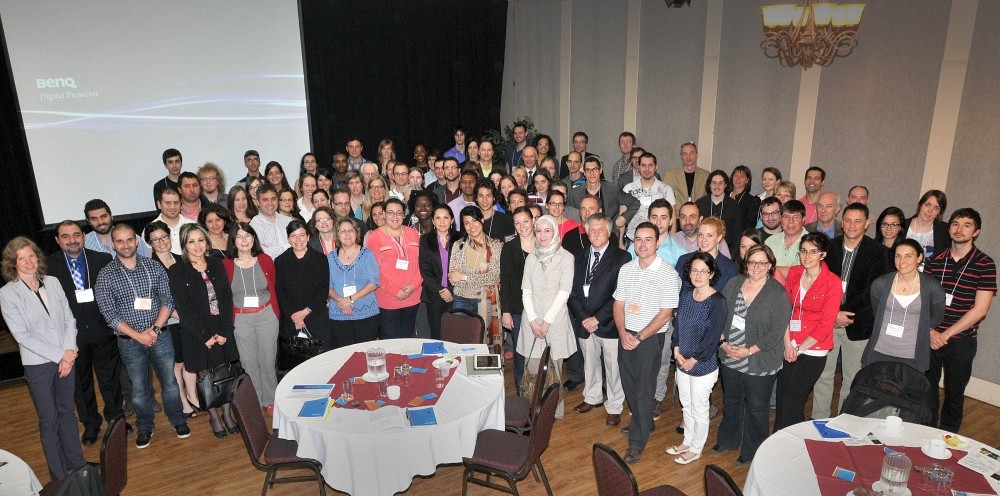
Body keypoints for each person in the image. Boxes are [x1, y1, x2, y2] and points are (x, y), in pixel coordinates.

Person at [95, 224, 191, 448]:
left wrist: (155, 330)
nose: (126, 245)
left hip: (161, 335)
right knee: (138, 388)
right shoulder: (106, 275)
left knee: (169, 383)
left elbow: (167, 300)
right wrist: (139, 336)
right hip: (130, 342)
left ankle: (178, 420)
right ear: (112, 244)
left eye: (130, 239)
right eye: (120, 241)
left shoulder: (153, 267)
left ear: (137, 241)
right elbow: (109, 313)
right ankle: (145, 427)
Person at [1, 237, 88, 480]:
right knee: (49, 419)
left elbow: (69, 319)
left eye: (31, 256)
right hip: (38, 364)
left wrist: (68, 353)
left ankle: (78, 463)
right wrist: (62, 354)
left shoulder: (53, 282)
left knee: (67, 413)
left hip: (66, 358)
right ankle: (59, 475)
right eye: (22, 258)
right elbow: (22, 336)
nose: (29, 262)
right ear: (13, 263)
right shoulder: (8, 294)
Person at [811, 203, 890, 419]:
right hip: (828, 322)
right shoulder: (829, 247)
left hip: (859, 325)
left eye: (857, 221)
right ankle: (819, 420)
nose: (852, 225)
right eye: (847, 220)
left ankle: (843, 422)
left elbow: (873, 291)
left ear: (866, 224)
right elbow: (820, 283)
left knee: (852, 378)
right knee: (823, 375)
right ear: (841, 221)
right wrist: (834, 313)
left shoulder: (880, 253)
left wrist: (844, 313)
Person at [46, 221, 122, 446]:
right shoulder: (48, 266)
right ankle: (91, 424)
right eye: (66, 236)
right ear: (58, 240)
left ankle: (116, 420)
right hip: (72, 337)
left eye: (76, 235)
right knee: (81, 384)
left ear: (83, 236)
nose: (72, 240)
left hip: (102, 331)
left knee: (110, 380)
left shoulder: (101, 260)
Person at [715, 244, 791, 464]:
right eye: (751, 262)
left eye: (762, 262)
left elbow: (776, 332)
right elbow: (719, 314)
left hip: (759, 360)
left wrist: (748, 351)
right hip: (730, 356)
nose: (756, 267)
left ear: (769, 266)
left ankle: (753, 451)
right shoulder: (734, 284)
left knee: (757, 408)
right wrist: (723, 343)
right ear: (745, 264)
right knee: (731, 400)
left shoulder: (777, 293)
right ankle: (728, 439)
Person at [614, 222, 681, 464]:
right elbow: (619, 304)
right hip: (626, 334)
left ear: (657, 242)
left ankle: (637, 441)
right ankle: (644, 422)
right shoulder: (627, 269)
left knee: (643, 389)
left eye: (648, 239)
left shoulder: (668, 274)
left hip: (650, 338)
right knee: (629, 384)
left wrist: (639, 336)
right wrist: (622, 332)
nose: (642, 244)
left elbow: (665, 314)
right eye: (638, 240)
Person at [923, 208, 996, 432]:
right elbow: (923, 300)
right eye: (955, 223)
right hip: (930, 336)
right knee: (927, 388)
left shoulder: (985, 264)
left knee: (954, 392)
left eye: (966, 225)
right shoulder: (934, 260)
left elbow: (980, 309)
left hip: (961, 340)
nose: (959, 229)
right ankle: (925, 430)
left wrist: (945, 334)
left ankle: (947, 438)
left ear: (976, 232)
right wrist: (930, 332)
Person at [167, 224, 241, 439]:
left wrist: (226, 330)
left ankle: (227, 413)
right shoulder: (177, 270)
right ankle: (214, 416)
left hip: (221, 328)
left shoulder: (217, 264)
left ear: (207, 241)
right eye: (191, 241)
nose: (197, 245)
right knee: (205, 376)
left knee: (224, 373)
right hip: (196, 334)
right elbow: (184, 308)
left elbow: (227, 299)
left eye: (201, 240)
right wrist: (204, 336)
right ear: (184, 245)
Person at [773, 232, 842, 432]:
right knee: (783, 396)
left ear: (823, 255)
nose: (807, 256)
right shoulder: (795, 273)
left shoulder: (832, 282)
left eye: (813, 252)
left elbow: (826, 324)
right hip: (790, 343)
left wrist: (799, 349)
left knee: (794, 398)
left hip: (813, 348)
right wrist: (788, 345)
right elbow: (785, 310)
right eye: (803, 251)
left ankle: (784, 440)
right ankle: (784, 437)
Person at [567, 213, 631, 427]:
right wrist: (585, 318)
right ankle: (592, 397)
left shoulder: (622, 258)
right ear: (586, 232)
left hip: (610, 323)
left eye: (600, 229)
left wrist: (598, 318)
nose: (595, 234)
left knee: (613, 368)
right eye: (591, 230)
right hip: (585, 323)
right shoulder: (579, 256)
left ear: (609, 232)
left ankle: (614, 405)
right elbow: (572, 291)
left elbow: (620, 294)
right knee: (590, 363)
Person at [667, 251, 726, 465]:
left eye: (703, 271)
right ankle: (687, 441)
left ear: (711, 273)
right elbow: (678, 327)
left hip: (703, 364)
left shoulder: (717, 301)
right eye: (694, 270)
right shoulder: (686, 295)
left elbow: (713, 337)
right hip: (682, 360)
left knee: (699, 408)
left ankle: (697, 448)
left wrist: (695, 359)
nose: (698, 275)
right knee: (686, 404)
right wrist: (675, 348)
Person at [517, 215, 576, 419]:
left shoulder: (566, 257)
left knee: (555, 372)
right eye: (539, 230)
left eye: (547, 230)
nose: (542, 235)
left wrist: (547, 321)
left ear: (555, 232)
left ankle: (554, 412)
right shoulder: (531, 257)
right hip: (531, 322)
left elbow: (564, 293)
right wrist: (533, 320)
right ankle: (532, 410)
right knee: (533, 370)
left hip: (555, 322)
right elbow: (526, 291)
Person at [863, 239, 946, 372]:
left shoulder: (932, 287)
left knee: (906, 393)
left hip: (911, 354)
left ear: (919, 257)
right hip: (880, 350)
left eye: (908, 256)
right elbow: (876, 312)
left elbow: (936, 317)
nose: (902, 261)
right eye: (898, 256)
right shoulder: (880, 284)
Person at [223, 222, 280, 412]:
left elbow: (272, 285)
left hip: (266, 315)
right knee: (249, 362)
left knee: (267, 359)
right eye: (239, 236)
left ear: (254, 238)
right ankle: (255, 399)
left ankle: (270, 399)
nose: (244, 240)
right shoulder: (226, 265)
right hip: (241, 318)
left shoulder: (265, 260)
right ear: (233, 241)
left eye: (248, 235)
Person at [144, 221, 198, 419]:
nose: (161, 242)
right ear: (150, 243)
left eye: (164, 237)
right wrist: (180, 316)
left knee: (191, 360)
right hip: (169, 322)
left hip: (189, 319)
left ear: (170, 237)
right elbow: (156, 299)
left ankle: (192, 396)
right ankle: (183, 402)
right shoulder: (149, 266)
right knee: (177, 364)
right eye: (155, 240)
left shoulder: (181, 259)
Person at [366, 198, 423, 339]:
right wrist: (395, 291)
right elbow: (374, 270)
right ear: (384, 214)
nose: (395, 217)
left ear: (404, 215)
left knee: (407, 338)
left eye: (399, 213)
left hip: (412, 295)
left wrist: (414, 286)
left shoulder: (414, 233)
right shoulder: (374, 237)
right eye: (390, 213)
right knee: (391, 341)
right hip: (388, 299)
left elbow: (422, 263)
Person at [275, 220, 333, 352]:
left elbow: (323, 290)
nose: (298, 239)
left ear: (308, 237)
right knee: (296, 361)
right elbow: (281, 291)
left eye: (302, 235)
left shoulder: (320, 259)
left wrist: (305, 312)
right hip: (292, 319)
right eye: (293, 236)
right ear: (288, 239)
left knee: (321, 359)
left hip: (316, 316)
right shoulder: (280, 261)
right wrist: (295, 316)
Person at [449, 206, 503, 343]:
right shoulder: (458, 245)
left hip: (487, 300)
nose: (471, 226)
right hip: (462, 299)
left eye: (474, 221)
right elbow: (453, 278)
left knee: (483, 341)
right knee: (461, 339)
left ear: (482, 220)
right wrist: (478, 279)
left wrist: (464, 277)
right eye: (466, 223)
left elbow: (494, 276)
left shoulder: (496, 246)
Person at [328, 217, 381, 347]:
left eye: (350, 230)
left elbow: (373, 283)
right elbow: (326, 285)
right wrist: (341, 301)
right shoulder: (330, 257)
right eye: (343, 231)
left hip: (366, 313)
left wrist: (350, 299)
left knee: (365, 352)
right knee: (344, 354)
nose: (347, 234)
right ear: (337, 235)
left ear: (357, 233)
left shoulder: (367, 254)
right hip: (339, 312)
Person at [500, 207, 535, 386]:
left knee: (541, 353)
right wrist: (505, 312)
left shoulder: (544, 244)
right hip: (517, 310)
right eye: (517, 223)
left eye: (526, 221)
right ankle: (522, 392)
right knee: (521, 353)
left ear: (533, 221)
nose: (522, 226)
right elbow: (504, 282)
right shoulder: (509, 248)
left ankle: (540, 392)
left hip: (541, 309)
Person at [419, 205, 456, 340]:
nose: (442, 221)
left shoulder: (461, 239)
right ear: (433, 221)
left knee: (455, 333)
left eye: (446, 217)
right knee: (437, 333)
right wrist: (441, 290)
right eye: (438, 218)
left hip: (457, 294)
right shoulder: (425, 240)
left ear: (452, 220)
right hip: (434, 295)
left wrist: (451, 291)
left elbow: (465, 268)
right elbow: (425, 270)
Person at [83, 199, 151, 258]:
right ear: (88, 222)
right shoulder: (85, 243)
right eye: (94, 219)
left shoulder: (131, 237)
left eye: (104, 216)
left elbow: (148, 262)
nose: (100, 222)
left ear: (111, 216)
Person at [696, 170, 742, 252]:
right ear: (709, 185)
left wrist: (731, 257)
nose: (717, 186)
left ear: (726, 185)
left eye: (720, 183)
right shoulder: (699, 204)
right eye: (714, 183)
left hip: (727, 252)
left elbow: (736, 235)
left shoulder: (734, 205)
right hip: (703, 250)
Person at [765, 199, 807, 280]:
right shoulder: (770, 242)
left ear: (804, 219)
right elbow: (761, 268)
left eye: (796, 217)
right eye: (786, 217)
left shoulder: (811, 243)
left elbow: (803, 273)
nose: (790, 222)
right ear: (780, 218)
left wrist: (771, 269)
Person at [249, 184, 293, 260]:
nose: (270, 203)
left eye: (273, 199)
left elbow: (297, 246)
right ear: (257, 202)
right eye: (265, 200)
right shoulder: (254, 225)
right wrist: (288, 245)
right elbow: (261, 254)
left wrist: (271, 249)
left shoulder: (288, 221)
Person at [904, 189, 950, 259]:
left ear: (939, 212)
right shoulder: (902, 225)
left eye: (936, 208)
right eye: (928, 205)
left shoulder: (945, 231)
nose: (930, 210)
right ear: (920, 205)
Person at [151, 188, 196, 255]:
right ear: (159, 204)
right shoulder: (151, 229)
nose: (172, 207)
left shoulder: (192, 225)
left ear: (181, 204)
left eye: (176, 203)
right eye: (168, 203)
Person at [730, 165, 761, 232]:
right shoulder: (724, 196)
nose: (738, 179)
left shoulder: (752, 201)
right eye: (735, 175)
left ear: (747, 180)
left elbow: (751, 226)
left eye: (742, 176)